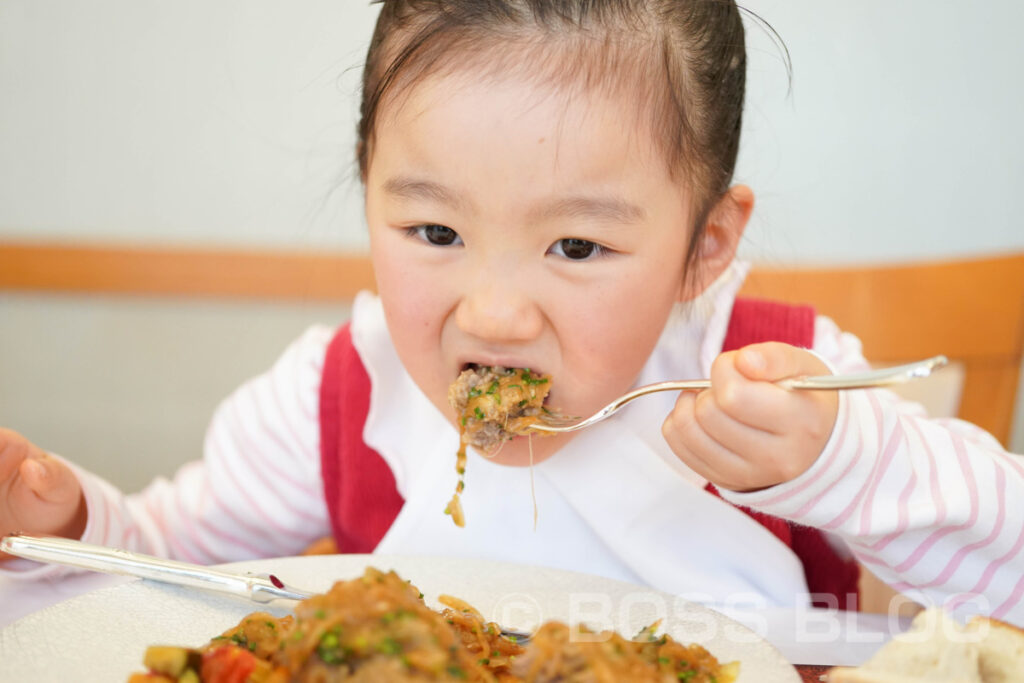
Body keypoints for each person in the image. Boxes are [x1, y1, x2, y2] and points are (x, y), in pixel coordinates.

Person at [2, 0, 1021, 625]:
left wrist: (843, 459)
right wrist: (65, 520)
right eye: (433, 232)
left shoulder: (777, 381)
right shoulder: (336, 399)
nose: (491, 316)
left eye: (576, 247)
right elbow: (159, 566)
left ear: (703, 246)